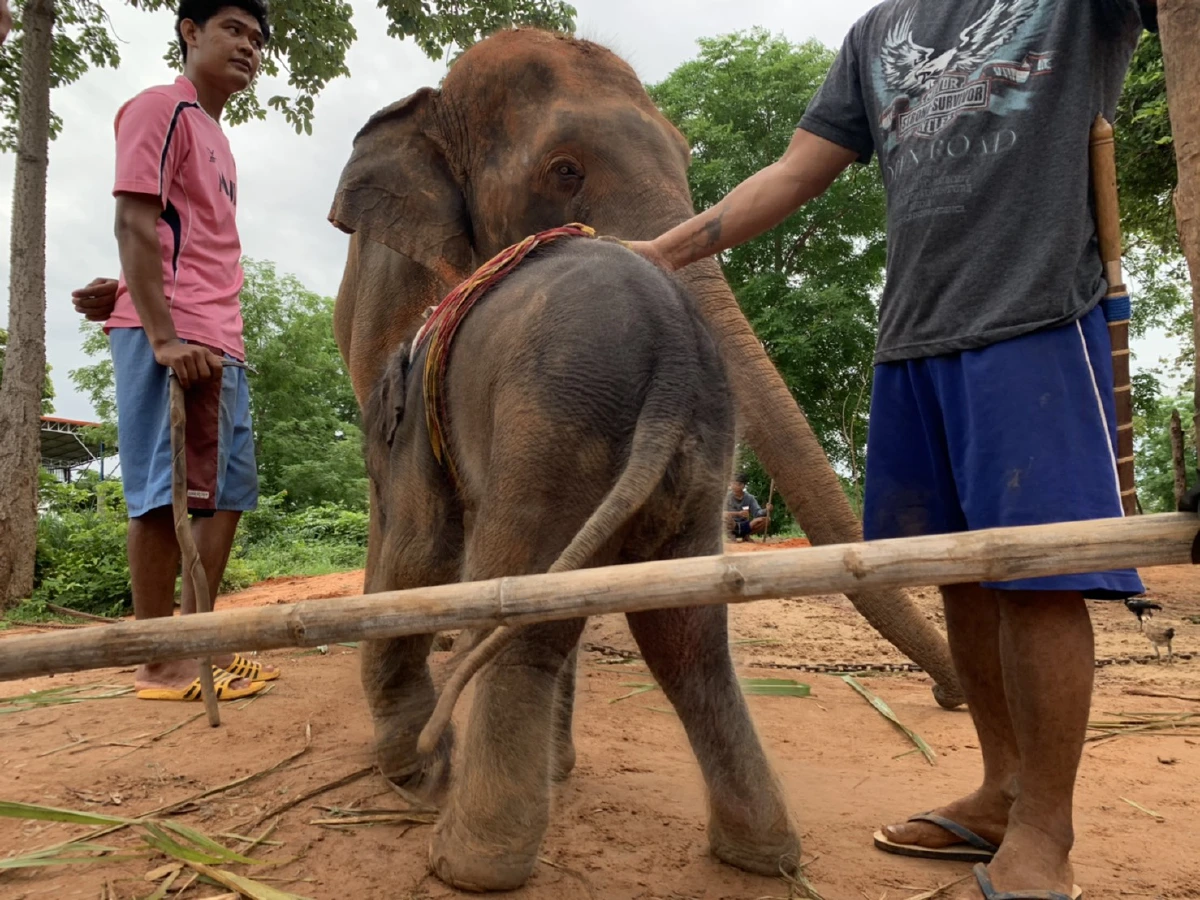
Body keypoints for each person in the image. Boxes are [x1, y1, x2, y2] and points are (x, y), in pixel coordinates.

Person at [629, 0, 1157, 896]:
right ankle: (1001, 788)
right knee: (960, 571)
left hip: (1034, 320)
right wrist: (661, 252)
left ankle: (1045, 836)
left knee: (1038, 573)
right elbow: (796, 172)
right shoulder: (878, 32)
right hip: (913, 337)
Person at [71, 0, 276, 702]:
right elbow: (134, 217)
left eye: (256, 38)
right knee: (166, 498)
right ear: (190, 32)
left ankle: (200, 644)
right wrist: (159, 333)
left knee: (225, 498)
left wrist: (127, 286)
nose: (248, 47)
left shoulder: (216, 136)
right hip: (177, 338)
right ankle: (160, 659)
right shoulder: (160, 107)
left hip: (222, 339)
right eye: (232, 30)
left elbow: (174, 236)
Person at [725, 474, 771, 540]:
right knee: (724, 517)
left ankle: (746, 535)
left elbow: (757, 513)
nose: (733, 486)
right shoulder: (726, 497)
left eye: (736, 484)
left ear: (742, 486)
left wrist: (767, 510)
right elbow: (720, 513)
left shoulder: (750, 498)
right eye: (732, 483)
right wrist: (738, 514)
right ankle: (731, 536)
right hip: (732, 524)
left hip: (746, 525)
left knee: (766, 520)